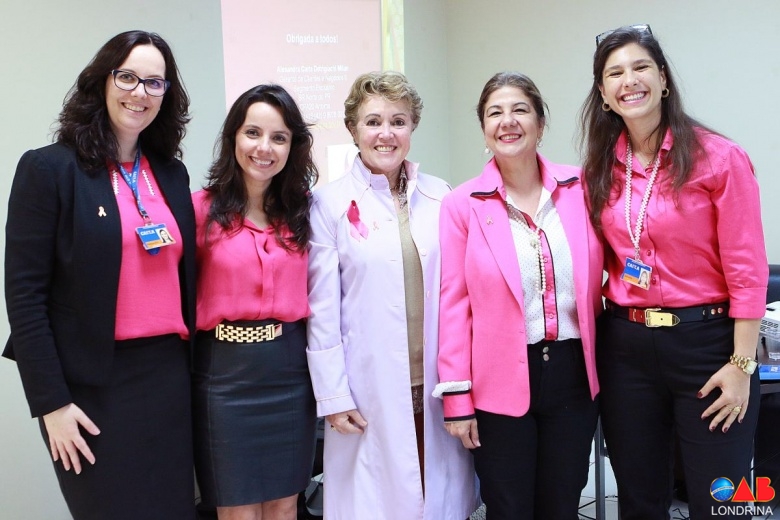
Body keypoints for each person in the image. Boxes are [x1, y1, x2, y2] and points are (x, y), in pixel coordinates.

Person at [4, 31, 196, 519]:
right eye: (127, 77)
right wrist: (51, 405)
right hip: (90, 391)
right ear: (101, 81)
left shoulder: (170, 174)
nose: (139, 92)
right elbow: (25, 297)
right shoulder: (49, 169)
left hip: (169, 380)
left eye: (154, 83)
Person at [580, 25, 768, 519]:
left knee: (719, 499)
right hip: (627, 349)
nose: (629, 80)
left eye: (641, 67)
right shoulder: (599, 169)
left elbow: (747, 270)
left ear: (663, 79)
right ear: (603, 93)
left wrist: (741, 366)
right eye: (615, 73)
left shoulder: (719, 158)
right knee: (640, 500)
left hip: (707, 346)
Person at [306, 71, 478, 519]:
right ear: (353, 129)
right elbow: (322, 309)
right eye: (373, 122)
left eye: (398, 121)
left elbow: (460, 296)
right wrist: (334, 395)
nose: (386, 133)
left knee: (436, 496)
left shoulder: (441, 196)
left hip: (435, 383)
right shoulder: (327, 204)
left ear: (412, 127)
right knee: (377, 502)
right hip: (368, 389)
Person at [436, 72, 602, 519]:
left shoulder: (580, 189)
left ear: (540, 124)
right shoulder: (463, 204)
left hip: (572, 373)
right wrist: (457, 397)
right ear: (484, 129)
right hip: (496, 380)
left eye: (520, 110)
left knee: (562, 503)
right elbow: (453, 305)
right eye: (495, 113)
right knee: (509, 507)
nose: (507, 121)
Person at [192, 84, 318, 520]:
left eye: (279, 137)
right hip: (223, 380)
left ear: (292, 147)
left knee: (285, 505)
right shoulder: (198, 210)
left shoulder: (305, 212)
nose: (264, 148)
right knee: (238, 510)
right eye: (253, 133)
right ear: (233, 137)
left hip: (290, 374)